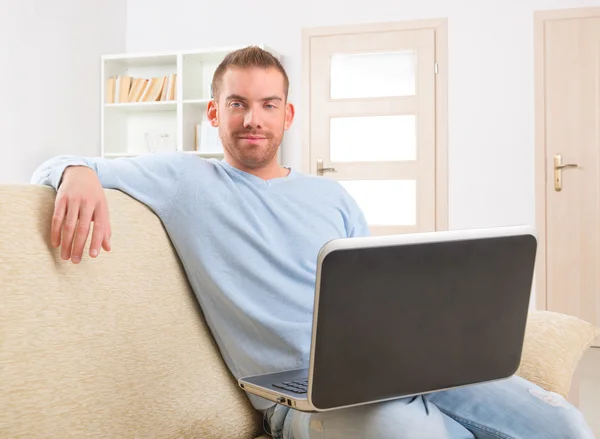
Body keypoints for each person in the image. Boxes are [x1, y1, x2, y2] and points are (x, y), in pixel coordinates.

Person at [31, 46, 594, 439]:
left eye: (268, 104)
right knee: (408, 432)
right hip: (296, 398)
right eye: (237, 103)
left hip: (394, 366)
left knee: (562, 424)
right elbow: (52, 165)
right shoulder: (185, 181)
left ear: (288, 114)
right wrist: (76, 170)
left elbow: (381, 298)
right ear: (213, 113)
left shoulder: (334, 198)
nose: (253, 119)